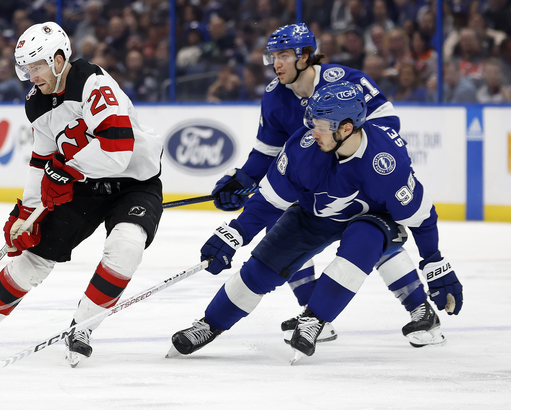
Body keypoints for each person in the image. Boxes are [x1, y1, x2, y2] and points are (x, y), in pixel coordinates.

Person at [169, 81, 463, 361]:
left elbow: (422, 217)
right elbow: (268, 200)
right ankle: (210, 324)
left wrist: (434, 261)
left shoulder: (386, 162)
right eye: (312, 123)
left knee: (363, 239)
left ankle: (315, 318)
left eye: (321, 126)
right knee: (261, 269)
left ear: (346, 128)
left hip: (374, 220)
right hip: (315, 215)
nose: (313, 132)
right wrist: (235, 232)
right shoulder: (303, 147)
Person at [0, 22, 165, 367]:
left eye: (37, 66)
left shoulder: (94, 83)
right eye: (26, 69)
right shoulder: (37, 103)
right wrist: (25, 212)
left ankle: (83, 328)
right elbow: (41, 160)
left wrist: (67, 168)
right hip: (84, 186)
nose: (32, 76)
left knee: (126, 247)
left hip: (134, 183)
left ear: (59, 60)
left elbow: (118, 149)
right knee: (32, 257)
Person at [202, 23, 439, 346]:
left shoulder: (348, 81)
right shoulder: (274, 96)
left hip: (362, 178)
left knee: (370, 236)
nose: (276, 64)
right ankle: (313, 315)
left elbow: (387, 128)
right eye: (273, 56)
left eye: (284, 55)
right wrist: (242, 180)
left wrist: (344, 166)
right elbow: (267, 152)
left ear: (306, 56)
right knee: (282, 231)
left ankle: (420, 308)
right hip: (313, 179)